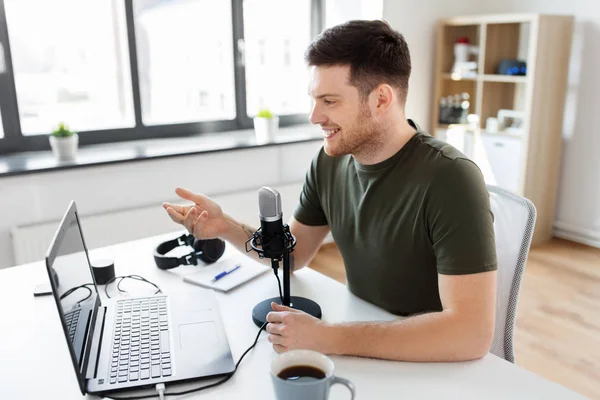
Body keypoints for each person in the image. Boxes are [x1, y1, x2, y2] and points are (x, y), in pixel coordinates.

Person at [162, 20, 497, 363]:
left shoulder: (451, 179)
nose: (314, 116)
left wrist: (328, 337)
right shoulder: (329, 163)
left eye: (330, 101)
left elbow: (469, 334)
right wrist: (225, 227)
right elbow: (292, 255)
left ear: (381, 99)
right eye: (314, 99)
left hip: (429, 365)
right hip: (364, 346)